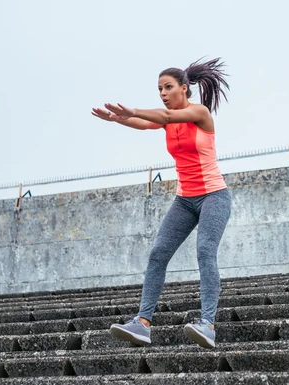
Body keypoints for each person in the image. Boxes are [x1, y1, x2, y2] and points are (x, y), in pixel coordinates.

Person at [91, 58, 231, 349]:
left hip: (214, 196)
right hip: (184, 200)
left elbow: (162, 118)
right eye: (159, 89)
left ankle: (208, 324)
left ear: (184, 88)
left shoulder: (199, 113)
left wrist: (133, 110)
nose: (163, 93)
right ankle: (142, 323)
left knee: (205, 250)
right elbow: (144, 125)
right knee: (158, 253)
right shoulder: (166, 118)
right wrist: (118, 118)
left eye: (168, 87)